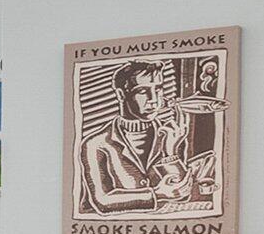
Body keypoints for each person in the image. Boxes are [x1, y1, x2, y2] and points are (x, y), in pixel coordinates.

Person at [79, 59, 211, 214]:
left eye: (159, 89)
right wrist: (158, 194)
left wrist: (170, 153)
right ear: (121, 94)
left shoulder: (170, 135)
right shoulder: (96, 143)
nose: (154, 100)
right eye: (142, 91)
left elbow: (181, 194)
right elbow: (102, 202)